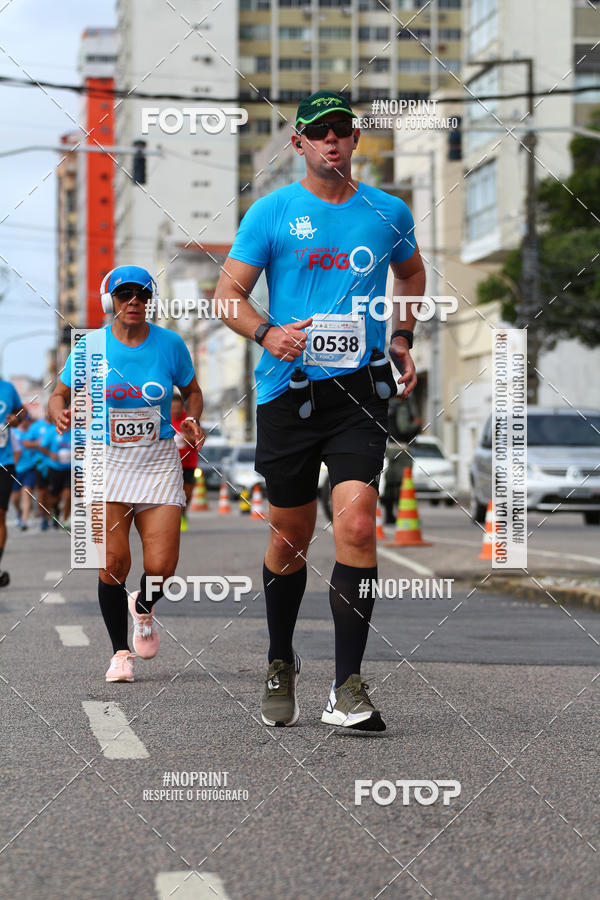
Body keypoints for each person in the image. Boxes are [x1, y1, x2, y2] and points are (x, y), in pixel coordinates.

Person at [215, 90, 425, 731]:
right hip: (289, 390)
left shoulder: (388, 212)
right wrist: (266, 332)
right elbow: (227, 296)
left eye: (342, 130)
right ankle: (281, 659)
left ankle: (347, 687)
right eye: (318, 132)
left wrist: (400, 336)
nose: (331, 140)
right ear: (297, 144)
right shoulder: (271, 213)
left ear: (356, 139)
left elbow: (411, 277)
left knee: (359, 526)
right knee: (290, 538)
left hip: (359, 390)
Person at [48, 265, 204, 683]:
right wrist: (59, 412)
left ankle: (144, 606)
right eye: (124, 294)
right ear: (110, 301)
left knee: (163, 565)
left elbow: (192, 391)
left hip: (156, 462)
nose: (133, 300)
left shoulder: (170, 345)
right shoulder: (89, 347)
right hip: (105, 463)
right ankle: (120, 653)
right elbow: (59, 393)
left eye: (141, 294)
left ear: (149, 301)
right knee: (112, 563)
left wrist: (191, 419)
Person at [0, 378, 25, 585]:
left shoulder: (7, 388)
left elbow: (22, 411)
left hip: (4, 462)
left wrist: (17, 418)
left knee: (0, 515)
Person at [171, 393, 198, 532]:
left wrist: (187, 437)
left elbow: (197, 438)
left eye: (178, 407)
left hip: (189, 463)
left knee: (187, 493)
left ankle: (183, 514)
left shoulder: (187, 421)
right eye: (173, 407)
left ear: (182, 407)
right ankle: (174, 518)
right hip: (172, 465)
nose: (175, 410)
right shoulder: (165, 420)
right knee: (173, 493)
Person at [14, 414, 39, 530]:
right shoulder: (13, 432)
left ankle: (24, 520)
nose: (25, 422)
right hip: (14, 469)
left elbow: (42, 444)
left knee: (27, 493)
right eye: (23, 420)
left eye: (27, 420)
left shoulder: (32, 433)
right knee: (15, 498)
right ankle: (19, 512)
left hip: (29, 468)